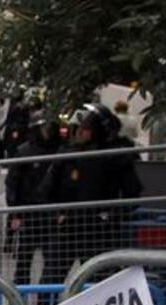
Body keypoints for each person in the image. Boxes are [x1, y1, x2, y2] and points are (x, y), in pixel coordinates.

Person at [37, 104, 143, 290]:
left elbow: (133, 192)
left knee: (99, 285)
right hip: (67, 228)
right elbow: (45, 191)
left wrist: (111, 217)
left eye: (85, 128)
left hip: (98, 232)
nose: (79, 133)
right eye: (78, 128)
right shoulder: (68, 155)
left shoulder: (115, 157)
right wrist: (57, 216)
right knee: (50, 283)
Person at [4, 111, 61, 299]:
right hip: (29, 214)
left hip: (51, 215)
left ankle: (45, 302)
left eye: (49, 128)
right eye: (43, 128)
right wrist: (15, 214)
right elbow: (13, 184)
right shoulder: (24, 152)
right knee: (23, 260)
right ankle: (18, 299)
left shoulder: (59, 151)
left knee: (52, 262)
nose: (47, 132)